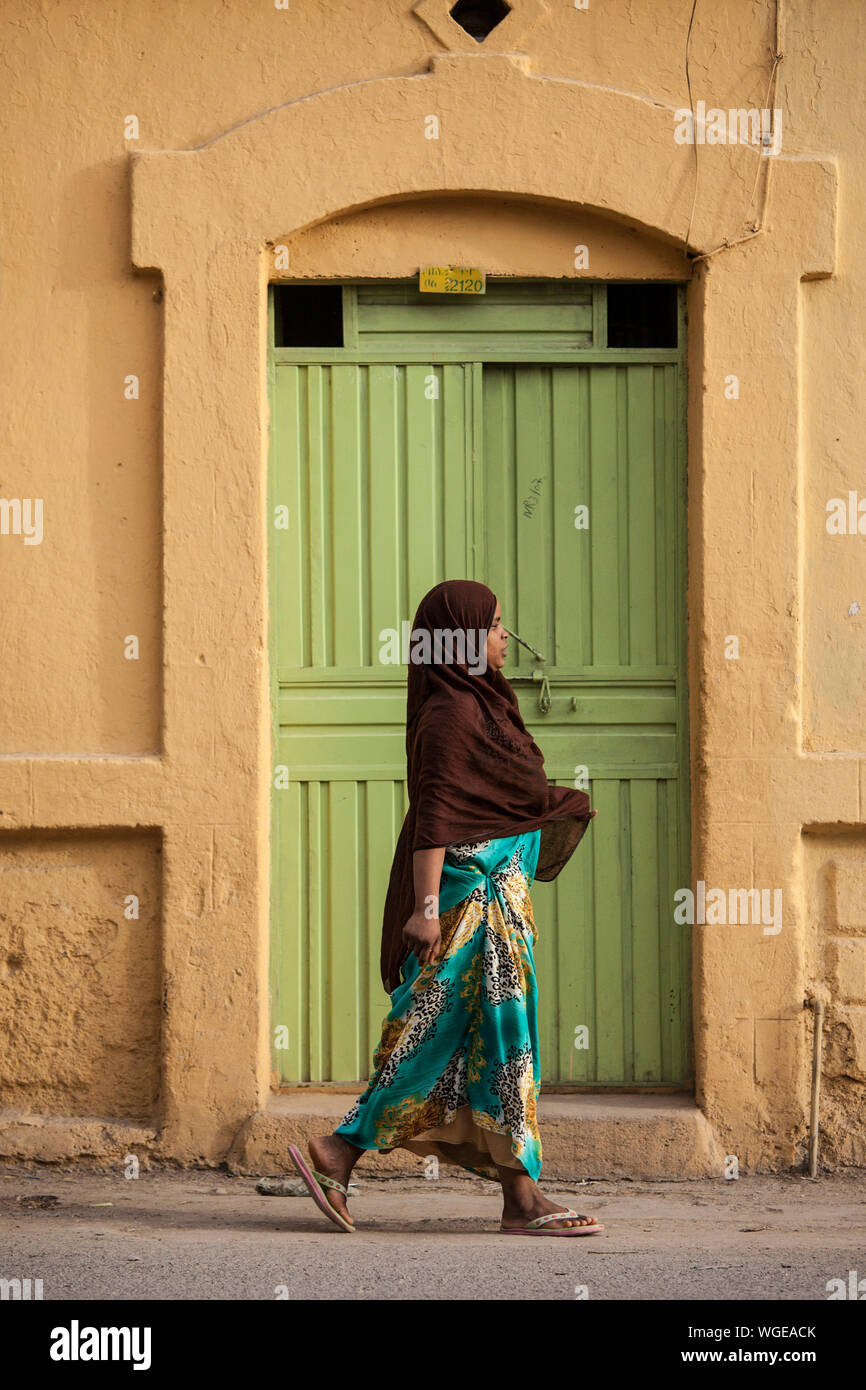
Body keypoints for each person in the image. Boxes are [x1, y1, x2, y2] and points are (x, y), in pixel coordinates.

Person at [288, 579, 602, 1235]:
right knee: (452, 1043)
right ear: (462, 638)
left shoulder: (488, 708)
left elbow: (505, 805)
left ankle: (511, 1194)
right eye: (492, 625)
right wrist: (426, 910)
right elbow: (435, 820)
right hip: (467, 916)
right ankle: (345, 1150)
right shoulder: (453, 717)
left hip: (499, 916)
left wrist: (553, 812)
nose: (504, 637)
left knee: (485, 1043)